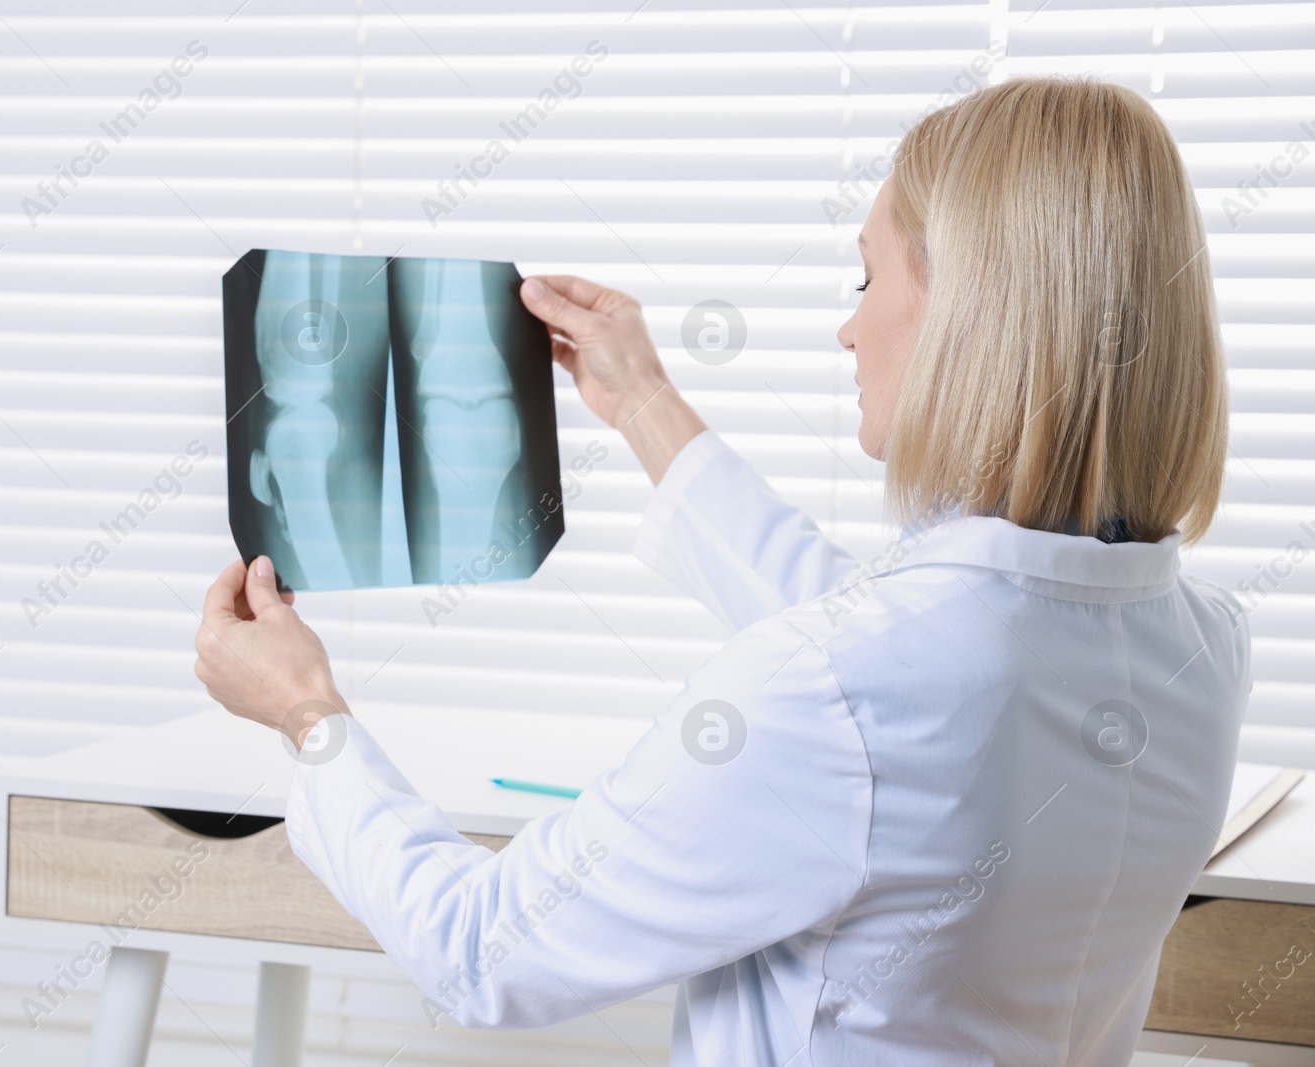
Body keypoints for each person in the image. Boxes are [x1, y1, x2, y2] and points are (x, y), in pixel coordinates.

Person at [192, 76, 1247, 1065]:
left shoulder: (841, 690)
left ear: (966, 312)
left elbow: (482, 949)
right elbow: (905, 662)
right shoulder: (1200, 648)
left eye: (866, 275)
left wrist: (309, 717)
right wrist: (645, 404)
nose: (845, 326)